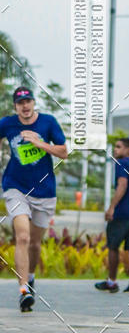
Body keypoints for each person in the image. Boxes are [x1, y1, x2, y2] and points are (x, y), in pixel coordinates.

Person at [0, 86, 68, 312]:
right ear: (15, 106)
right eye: (20, 103)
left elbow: (63, 152)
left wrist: (39, 143)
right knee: (22, 237)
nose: (25, 106)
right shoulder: (8, 124)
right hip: (15, 187)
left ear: (33, 102)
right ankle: (23, 291)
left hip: (44, 191)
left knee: (35, 244)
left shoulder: (48, 122)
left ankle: (29, 277)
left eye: (28, 101)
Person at [95, 138, 129, 295]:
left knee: (113, 247)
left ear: (128, 150)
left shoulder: (121, 164)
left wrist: (111, 208)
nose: (115, 150)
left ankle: (112, 282)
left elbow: (122, 186)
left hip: (122, 213)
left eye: (118, 147)